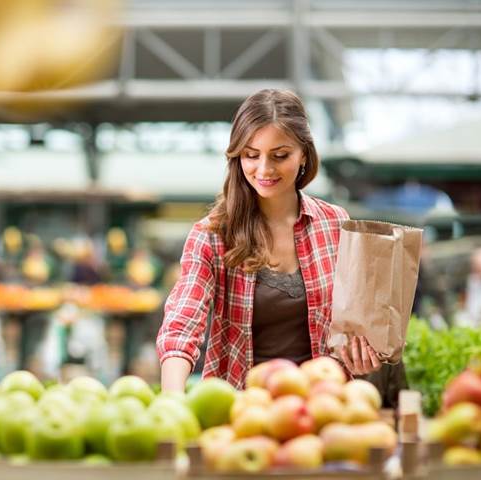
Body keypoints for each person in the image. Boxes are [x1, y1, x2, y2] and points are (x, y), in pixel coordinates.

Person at [157, 89, 382, 393]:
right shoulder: (212, 234)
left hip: (322, 406)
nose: (264, 169)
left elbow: (358, 325)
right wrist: (172, 396)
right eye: (251, 155)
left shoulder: (334, 224)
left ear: (304, 153)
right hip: (242, 410)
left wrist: (364, 356)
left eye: (280, 156)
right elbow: (183, 321)